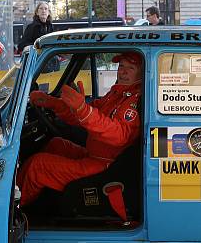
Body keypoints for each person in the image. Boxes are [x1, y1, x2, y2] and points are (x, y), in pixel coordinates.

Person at [19, 52, 143, 205]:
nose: (122, 71)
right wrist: (53, 104)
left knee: (37, 166)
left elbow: (120, 135)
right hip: (95, 155)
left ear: (142, 72)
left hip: (108, 165)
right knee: (57, 144)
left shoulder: (134, 100)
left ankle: (13, 214)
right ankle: (41, 197)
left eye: (130, 68)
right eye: (121, 66)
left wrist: (84, 110)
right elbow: (84, 116)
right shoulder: (117, 93)